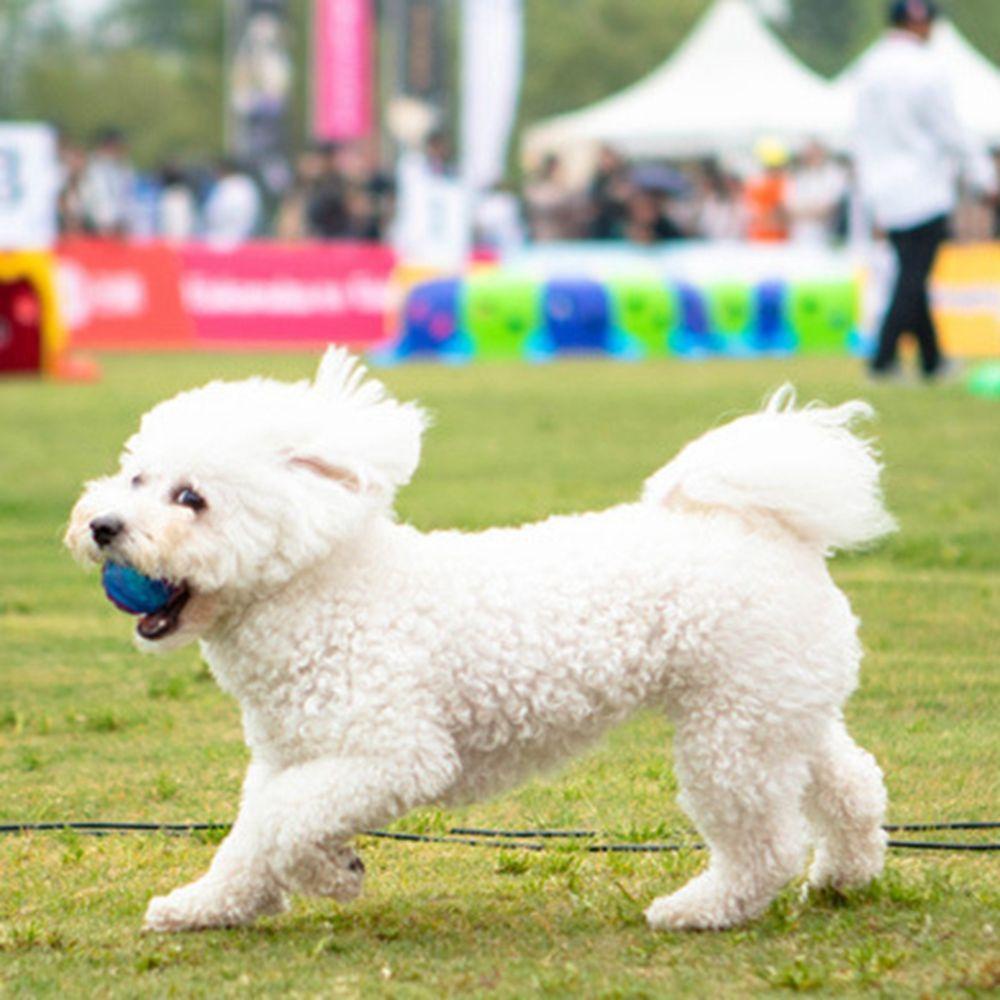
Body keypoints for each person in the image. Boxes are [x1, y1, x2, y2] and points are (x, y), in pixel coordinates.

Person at [854, 0, 998, 380]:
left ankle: (932, 361)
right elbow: (950, 131)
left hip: (882, 189)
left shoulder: (868, 68)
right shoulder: (928, 68)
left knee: (911, 273)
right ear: (921, 25)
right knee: (913, 277)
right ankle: (882, 359)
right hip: (923, 188)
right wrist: (983, 177)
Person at [786, 141, 848, 245]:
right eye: (808, 154)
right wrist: (814, 210)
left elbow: (830, 210)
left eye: (815, 153)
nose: (812, 157)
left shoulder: (834, 175)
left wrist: (803, 211)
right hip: (798, 239)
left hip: (826, 239)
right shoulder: (798, 176)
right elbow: (787, 211)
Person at [79, 127, 135, 237]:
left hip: (119, 224)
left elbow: (126, 196)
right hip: (97, 225)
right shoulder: (92, 166)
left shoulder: (123, 167)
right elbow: (87, 195)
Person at [201, 159, 261, 245]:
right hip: (245, 238)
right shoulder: (248, 185)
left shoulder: (226, 187)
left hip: (222, 239)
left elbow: (214, 215)